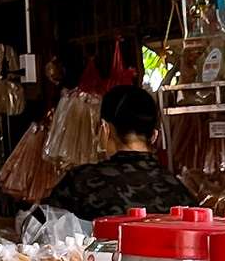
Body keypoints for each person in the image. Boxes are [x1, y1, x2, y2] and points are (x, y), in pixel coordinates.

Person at [46, 84, 198, 219]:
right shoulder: (179, 191)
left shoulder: (79, 184)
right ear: (154, 136)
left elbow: (41, 235)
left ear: (105, 129)